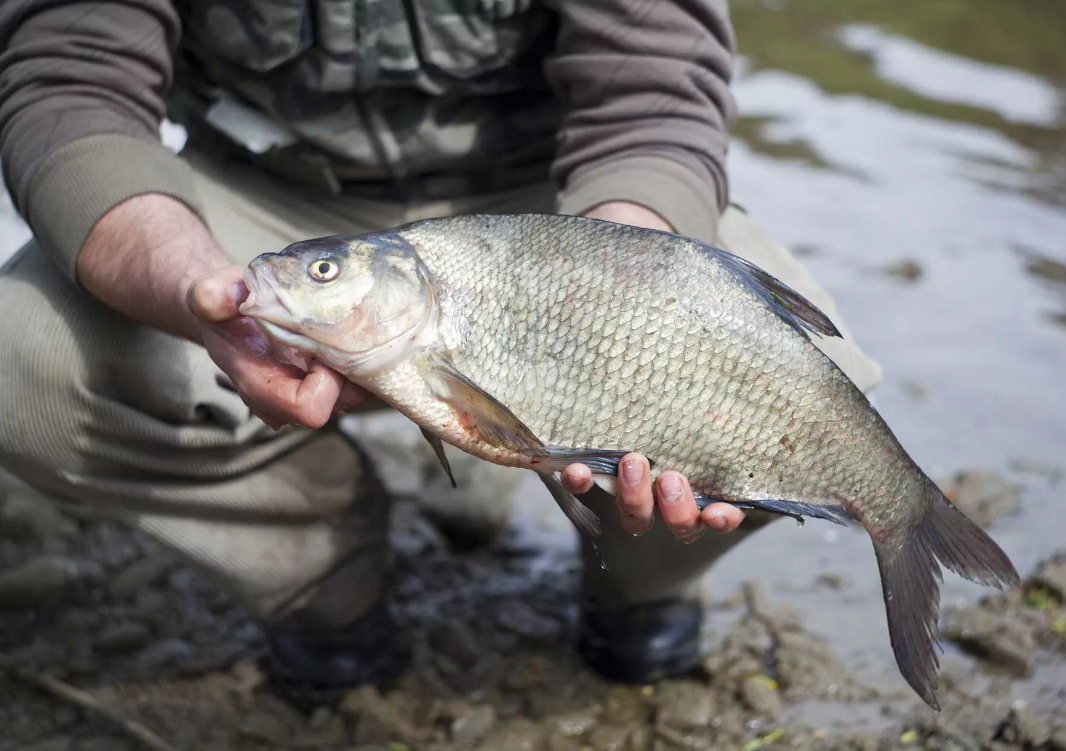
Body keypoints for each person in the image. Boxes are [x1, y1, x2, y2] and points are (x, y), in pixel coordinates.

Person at [0, 0, 881, 709]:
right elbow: (70, 81)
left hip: (560, 207)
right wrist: (194, 292)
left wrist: (618, 287)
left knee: (799, 388)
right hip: (267, 191)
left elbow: (651, 94)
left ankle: (642, 577)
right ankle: (320, 566)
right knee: (18, 359)